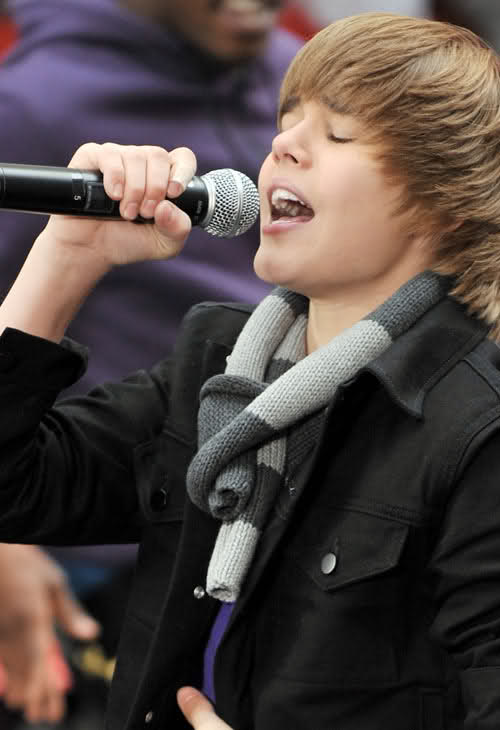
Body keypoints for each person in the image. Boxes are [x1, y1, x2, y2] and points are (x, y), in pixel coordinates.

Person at [1, 10, 500, 729]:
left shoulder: (476, 425)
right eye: (285, 125)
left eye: (338, 134)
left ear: (448, 202)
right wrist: (67, 257)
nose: (283, 147)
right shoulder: (221, 362)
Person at [0, 1, 300, 724]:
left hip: (264, 528)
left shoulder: (290, 65)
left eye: (335, 133)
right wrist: (4, 552)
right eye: (299, 133)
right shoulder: (33, 103)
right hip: (99, 530)